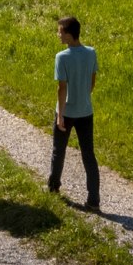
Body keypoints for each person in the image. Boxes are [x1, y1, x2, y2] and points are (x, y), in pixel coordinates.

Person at [48, 14, 99, 210]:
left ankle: (53, 188)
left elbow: (62, 88)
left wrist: (60, 115)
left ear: (69, 35)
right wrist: (84, 97)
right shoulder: (91, 53)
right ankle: (94, 199)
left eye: (60, 31)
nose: (58, 34)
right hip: (86, 111)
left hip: (67, 112)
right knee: (88, 154)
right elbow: (92, 81)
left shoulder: (61, 57)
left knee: (58, 151)